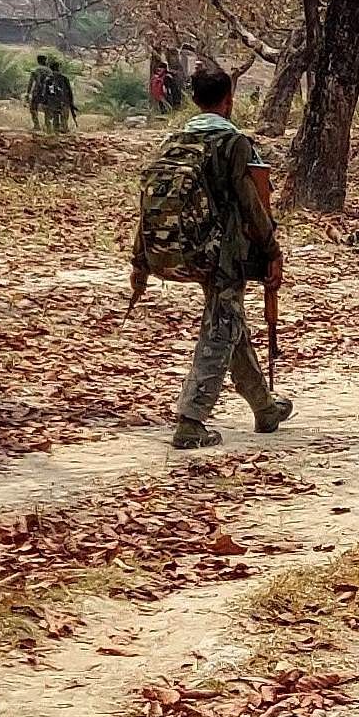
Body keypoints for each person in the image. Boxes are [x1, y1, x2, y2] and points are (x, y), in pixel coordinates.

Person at [131, 67, 291, 449]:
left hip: (175, 247)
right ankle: (191, 420)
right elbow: (251, 203)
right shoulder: (234, 143)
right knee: (221, 328)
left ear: (194, 99)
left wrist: (140, 261)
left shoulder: (174, 141)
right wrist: (272, 250)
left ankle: (264, 406)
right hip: (220, 255)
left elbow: (150, 206)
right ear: (228, 99)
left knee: (229, 320)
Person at [46, 60, 78, 133]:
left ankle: (56, 134)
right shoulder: (64, 78)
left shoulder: (49, 79)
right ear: (59, 68)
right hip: (64, 101)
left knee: (55, 119)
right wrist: (71, 102)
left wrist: (47, 102)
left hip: (53, 101)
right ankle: (64, 133)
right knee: (64, 120)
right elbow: (69, 91)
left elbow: (47, 92)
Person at [28, 54, 55, 131]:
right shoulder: (49, 71)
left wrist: (28, 92)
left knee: (33, 108)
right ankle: (48, 125)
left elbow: (31, 82)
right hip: (47, 92)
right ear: (45, 61)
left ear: (38, 61)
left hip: (37, 91)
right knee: (47, 109)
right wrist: (52, 93)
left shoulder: (35, 70)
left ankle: (36, 125)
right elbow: (52, 83)